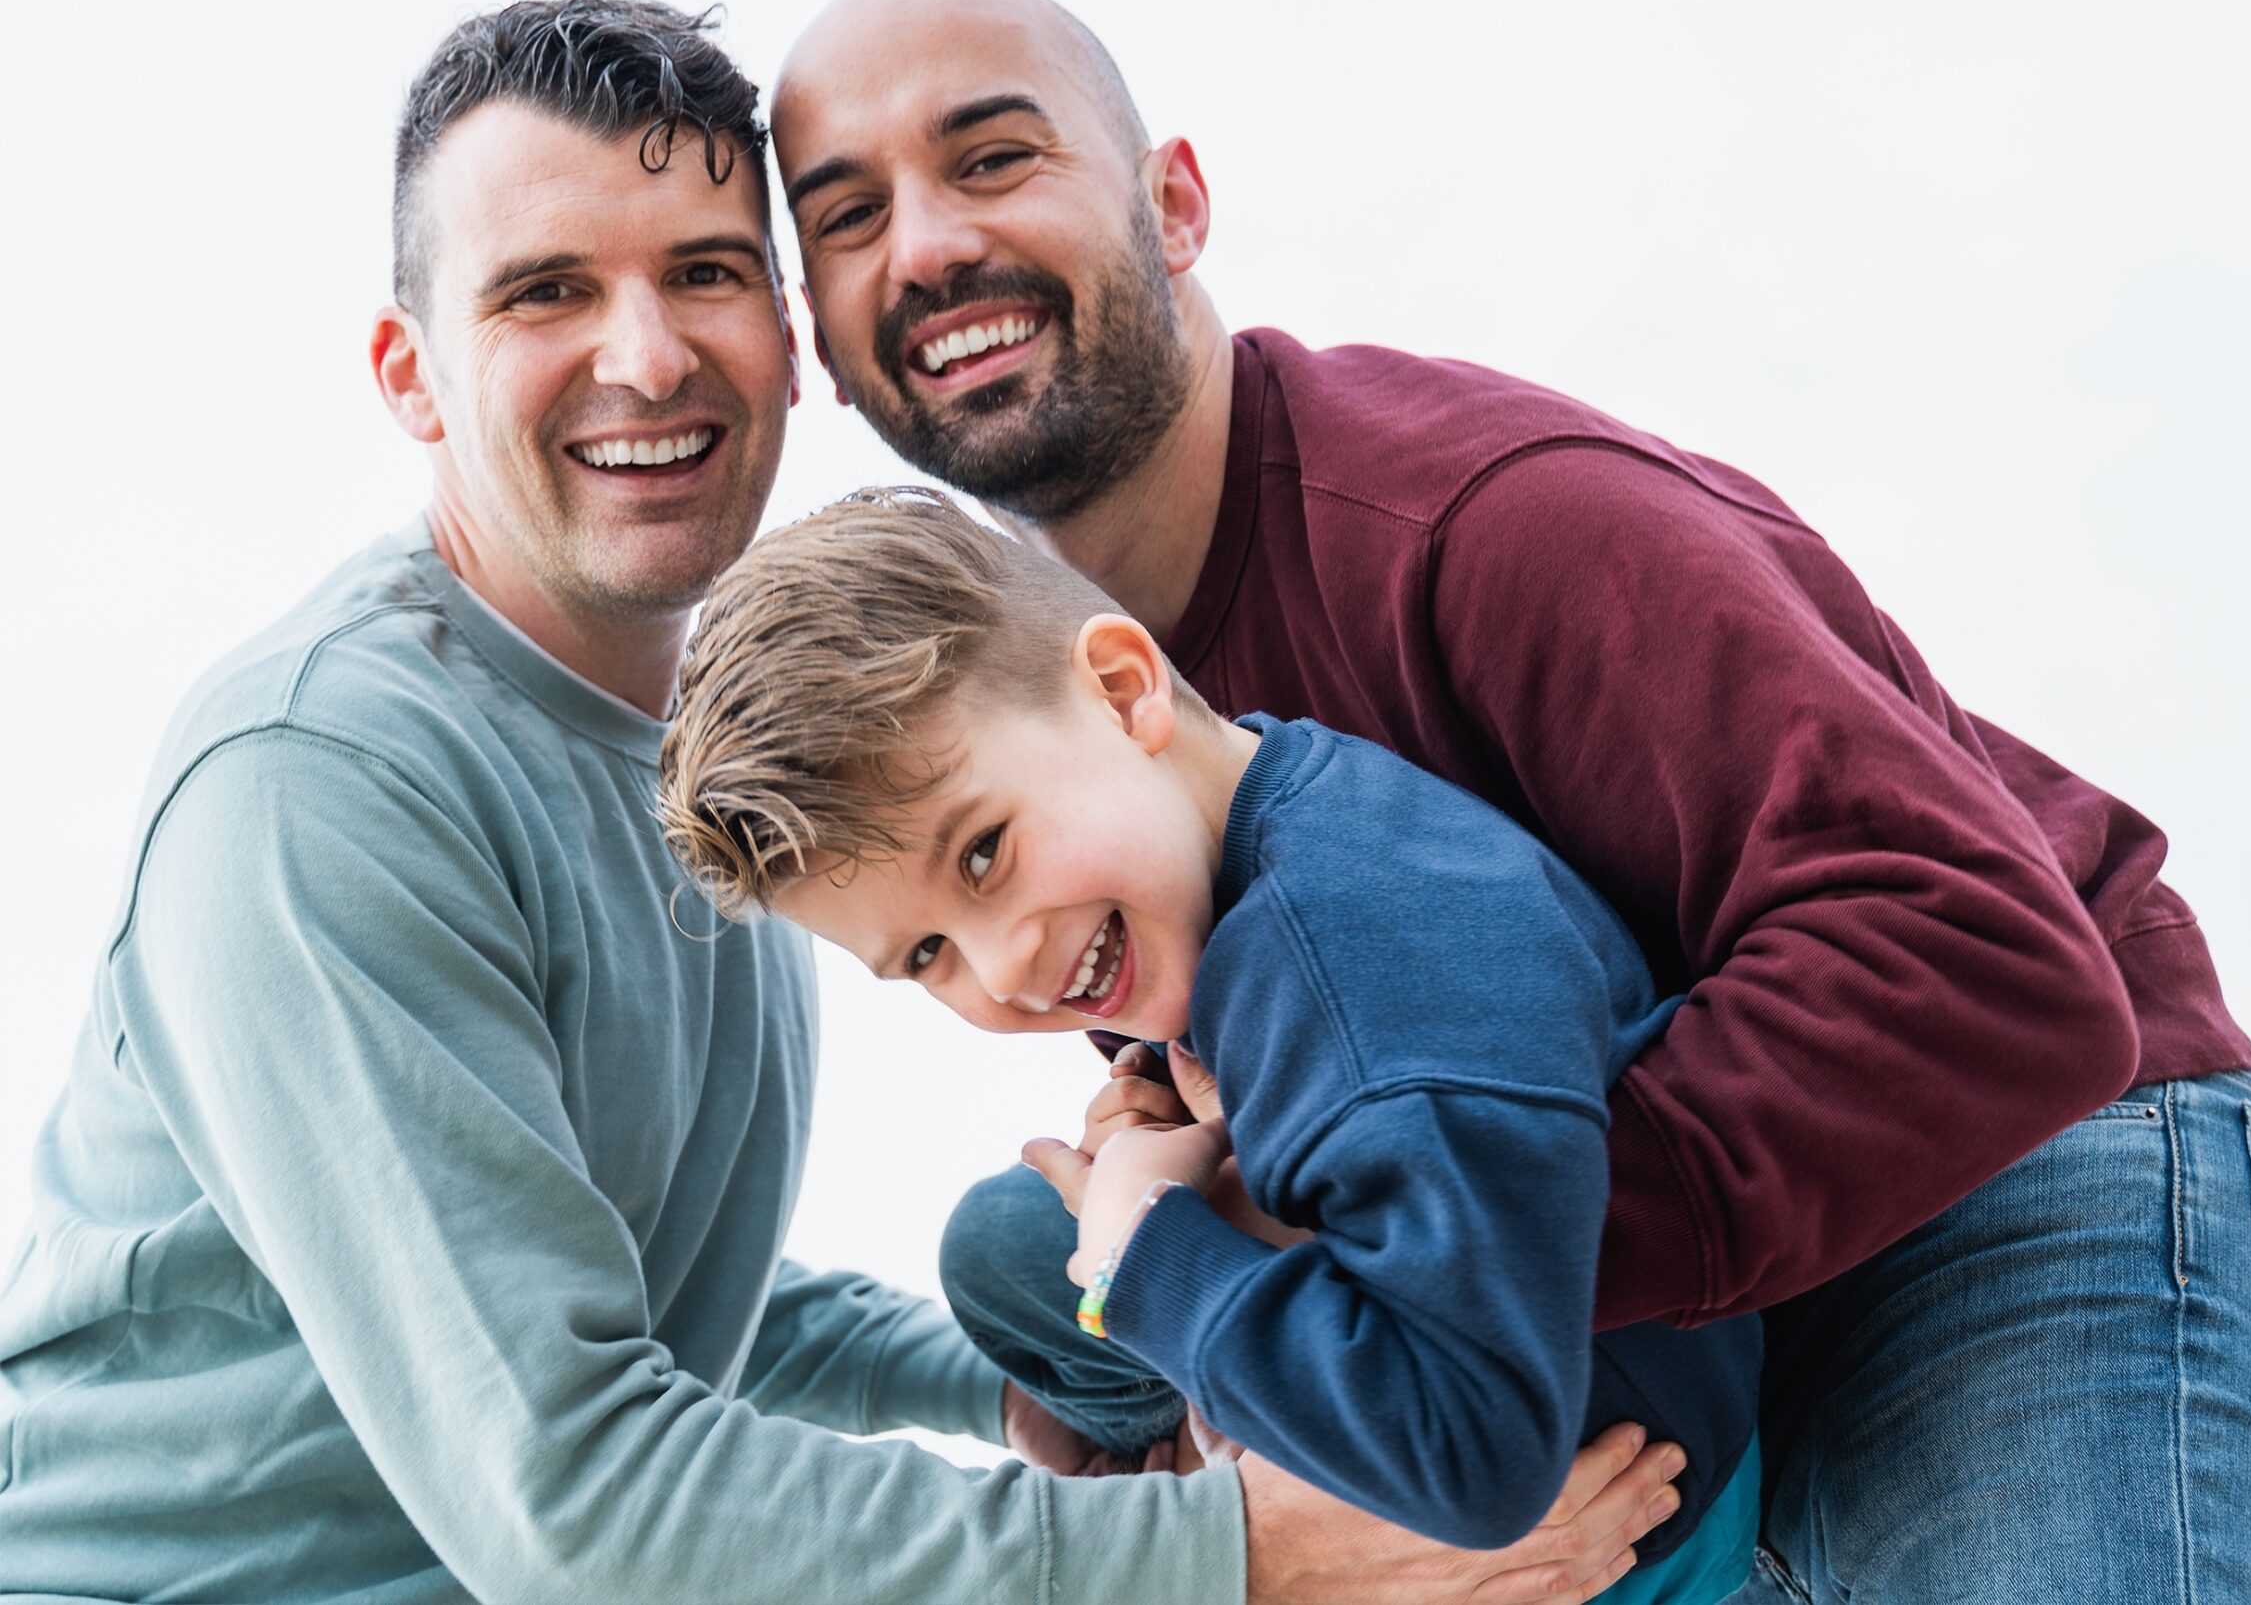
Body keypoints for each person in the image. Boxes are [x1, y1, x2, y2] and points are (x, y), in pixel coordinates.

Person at [0, 0, 1679, 1605]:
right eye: (545, 292)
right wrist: (1240, 1554)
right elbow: (576, 1507)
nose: (646, 356)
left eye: (707, 273)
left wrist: (1024, 1377)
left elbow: (617, 1294)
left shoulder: (734, 778)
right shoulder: (319, 792)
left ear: (791, 345)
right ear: (409, 374)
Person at [769, 0, 2251, 1602]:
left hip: (2023, 1181)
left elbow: (1993, 977)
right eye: (848, 215)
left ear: (1174, 206)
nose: (929, 242)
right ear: (821, 333)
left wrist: (1384, 1251)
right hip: (1694, 1340)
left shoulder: (1485, 524)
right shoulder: (1055, 772)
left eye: (993, 158)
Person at [658, 486, 1766, 1599]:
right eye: (927, 953)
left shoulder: (1343, 971)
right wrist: (1184, 1138)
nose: (999, 968)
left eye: (984, 853)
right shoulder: (1279, 810)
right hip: (1470, 1290)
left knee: (1110, 1253)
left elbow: (1480, 1461)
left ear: (1120, 687)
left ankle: (1248, 1465)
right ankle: (1222, 1432)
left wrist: (1151, 1248)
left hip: (1630, 1507)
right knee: (1005, 1243)